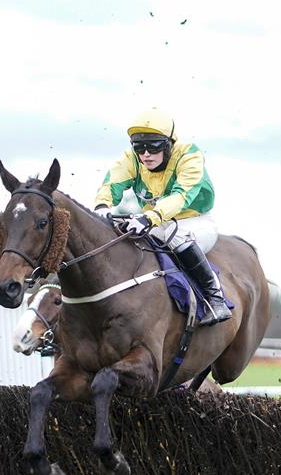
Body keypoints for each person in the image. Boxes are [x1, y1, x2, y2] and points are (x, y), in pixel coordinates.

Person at [93, 109, 231, 325]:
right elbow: (112, 183)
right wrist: (102, 207)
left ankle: (216, 298)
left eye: (154, 146)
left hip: (194, 219)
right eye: (139, 147)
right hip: (155, 219)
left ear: (168, 144)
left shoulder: (189, 155)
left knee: (177, 236)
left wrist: (149, 217)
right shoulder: (132, 159)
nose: (145, 154)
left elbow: (181, 195)